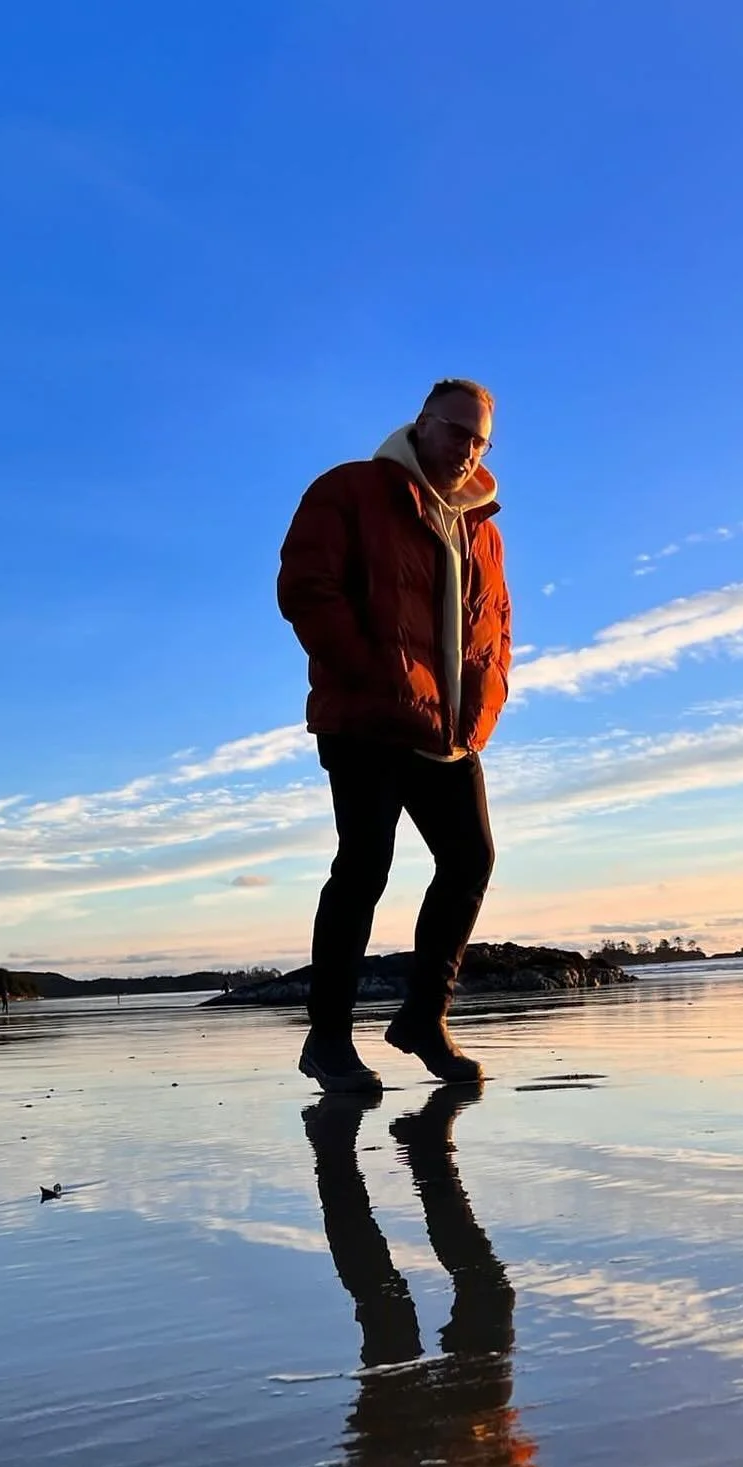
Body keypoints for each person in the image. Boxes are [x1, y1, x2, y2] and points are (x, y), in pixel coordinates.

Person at [278, 378, 511, 1092]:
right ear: (421, 424)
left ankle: (422, 1018)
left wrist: (483, 712)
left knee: (469, 859)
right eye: (456, 432)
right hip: (368, 721)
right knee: (365, 866)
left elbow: (496, 633)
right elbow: (306, 589)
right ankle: (328, 1041)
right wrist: (376, 677)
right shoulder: (351, 490)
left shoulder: (483, 527)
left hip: (450, 732)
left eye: (481, 440)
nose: (467, 450)